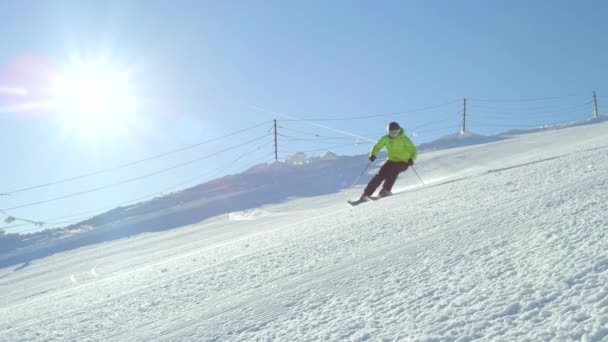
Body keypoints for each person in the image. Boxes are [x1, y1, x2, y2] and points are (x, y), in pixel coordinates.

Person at [360, 121, 418, 200]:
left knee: (394, 171)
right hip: (391, 161)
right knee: (380, 175)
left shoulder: (404, 139)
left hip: (404, 162)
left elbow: (413, 151)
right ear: (388, 132)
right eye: (391, 133)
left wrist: (412, 159)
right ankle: (366, 194)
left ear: (399, 131)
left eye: (395, 132)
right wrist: (373, 154)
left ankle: (385, 190)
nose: (394, 135)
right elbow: (377, 146)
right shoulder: (385, 139)